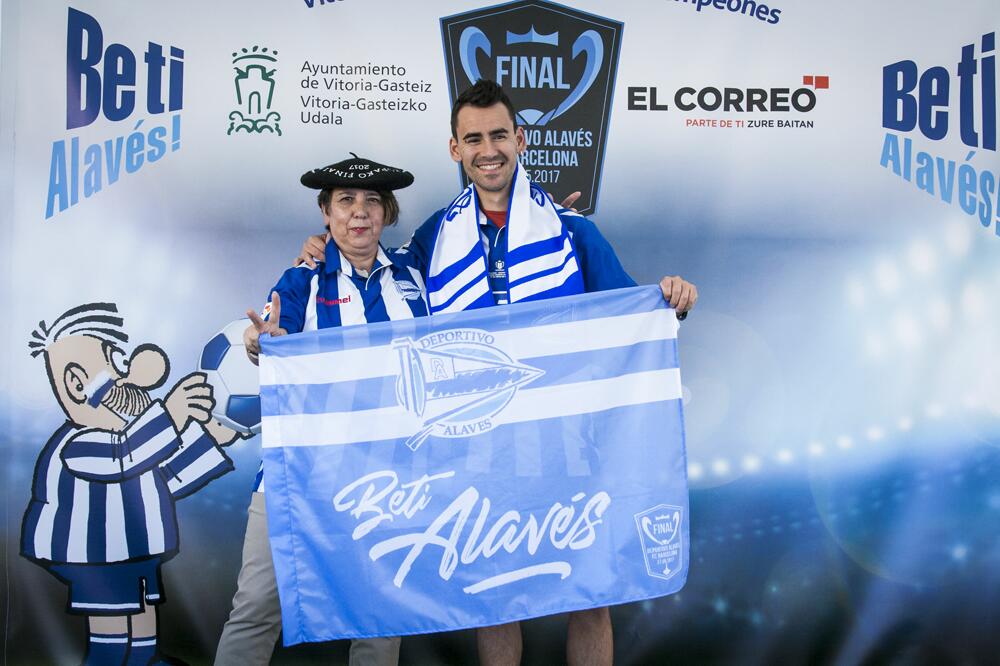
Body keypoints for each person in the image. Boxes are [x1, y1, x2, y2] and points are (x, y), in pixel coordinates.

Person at [295, 80, 698, 666]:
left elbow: (628, 318)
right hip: (479, 444)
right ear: (456, 149)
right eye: (474, 138)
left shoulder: (572, 231)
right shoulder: (434, 236)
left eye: (499, 135)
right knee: (497, 595)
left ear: (521, 140)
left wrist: (671, 298)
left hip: (571, 441)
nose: (489, 149)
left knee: (591, 594)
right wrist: (326, 245)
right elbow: (372, 271)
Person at [215, 154, 425, 666]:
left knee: (378, 621)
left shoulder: (415, 281)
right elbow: (267, 331)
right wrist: (260, 341)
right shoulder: (300, 280)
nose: (360, 212)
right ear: (326, 215)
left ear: (387, 213)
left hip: (387, 481)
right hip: (296, 478)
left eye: (372, 201)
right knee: (256, 608)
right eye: (346, 201)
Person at [23, 302, 237, 666]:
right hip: (97, 560)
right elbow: (125, 456)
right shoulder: (79, 443)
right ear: (77, 384)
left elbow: (166, 477)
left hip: (134, 554)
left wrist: (215, 436)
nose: (136, 375)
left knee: (141, 630)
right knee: (112, 638)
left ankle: (146, 660)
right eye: (118, 364)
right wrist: (171, 413)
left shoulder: (129, 441)